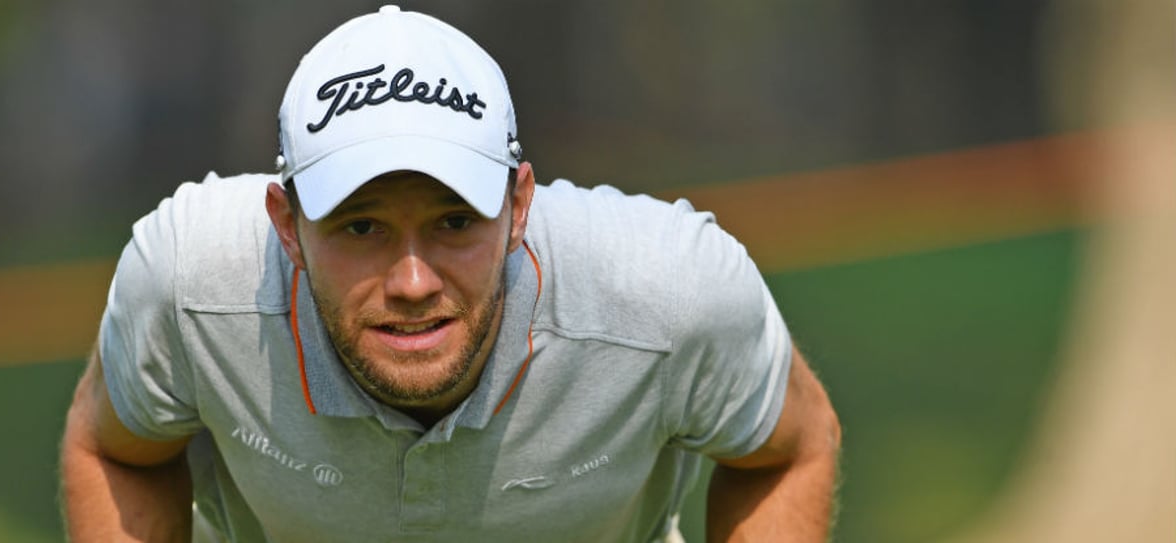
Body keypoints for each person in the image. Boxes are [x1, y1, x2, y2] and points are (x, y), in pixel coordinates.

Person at [59, 5, 840, 542]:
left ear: (520, 203)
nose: (411, 280)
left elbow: (789, 447)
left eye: (455, 222)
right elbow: (116, 447)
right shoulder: (188, 281)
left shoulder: (668, 290)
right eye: (361, 225)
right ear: (287, 225)